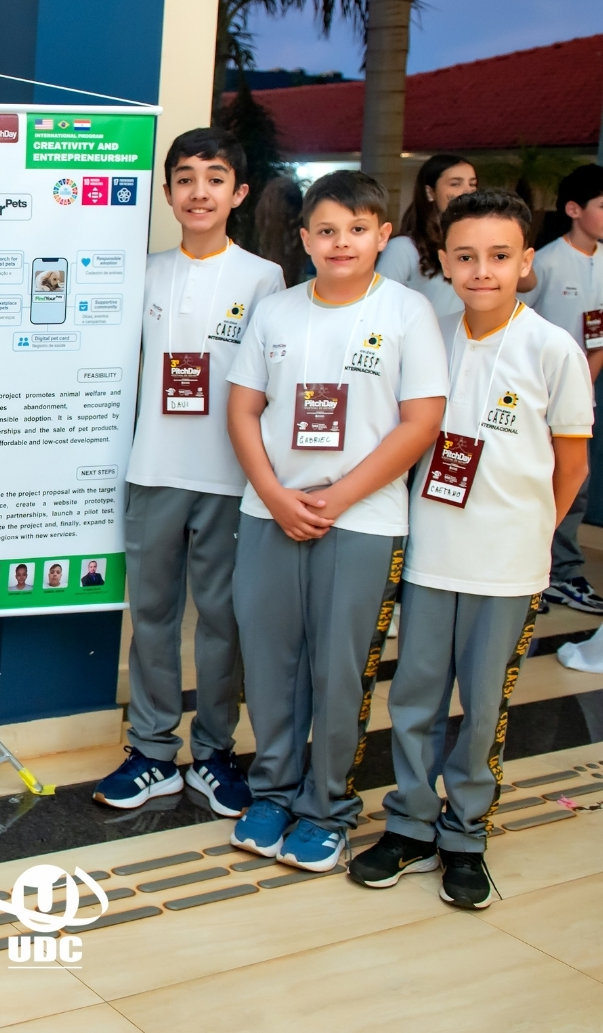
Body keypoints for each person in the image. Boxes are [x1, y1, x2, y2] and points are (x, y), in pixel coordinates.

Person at [348, 189, 591, 908]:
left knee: (483, 706)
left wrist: (532, 534)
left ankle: (465, 834)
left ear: (525, 262)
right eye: (466, 256)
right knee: (415, 698)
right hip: (430, 554)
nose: (482, 270)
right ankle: (411, 824)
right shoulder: (429, 336)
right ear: (445, 262)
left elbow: (572, 464)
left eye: (499, 256)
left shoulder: (553, 349)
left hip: (508, 565)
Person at [226, 169, 449, 872]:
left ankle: (327, 806)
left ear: (382, 235)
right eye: (326, 230)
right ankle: (272, 792)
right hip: (271, 511)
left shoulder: (408, 311)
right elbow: (243, 410)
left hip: (363, 518)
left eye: (356, 229)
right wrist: (274, 494)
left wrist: (343, 494)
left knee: (341, 668)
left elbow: (422, 423)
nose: (341, 242)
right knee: (269, 662)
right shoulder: (277, 312)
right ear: (304, 239)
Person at [97, 127, 287, 818]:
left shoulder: (264, 278)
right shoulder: (143, 272)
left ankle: (213, 753)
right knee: (150, 617)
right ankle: (152, 752)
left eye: (214, 179)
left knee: (221, 623)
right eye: (184, 179)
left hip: (231, 479)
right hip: (152, 470)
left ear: (238, 193)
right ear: (168, 192)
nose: (198, 192)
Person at [527, 164, 603, 614]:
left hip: (580, 396)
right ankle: (532, 573)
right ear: (574, 210)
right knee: (536, 481)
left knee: (576, 483)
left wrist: (581, 386)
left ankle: (563, 574)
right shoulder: (547, 262)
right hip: (536, 399)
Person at [377, 154, 478, 316]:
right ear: (430, 192)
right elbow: (379, 307)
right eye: (455, 184)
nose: (467, 191)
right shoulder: (403, 248)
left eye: (472, 184)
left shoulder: (476, 246)